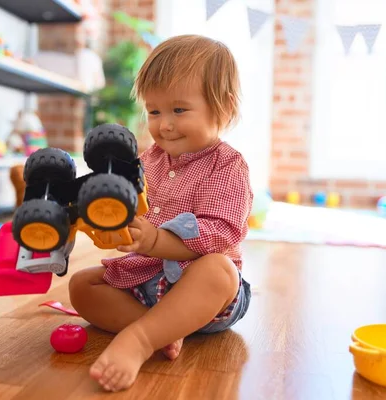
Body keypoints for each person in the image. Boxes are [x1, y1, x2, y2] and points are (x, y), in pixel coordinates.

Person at [69, 34, 253, 392]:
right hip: (146, 282)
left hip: (205, 298)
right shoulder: (147, 159)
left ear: (224, 109)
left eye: (179, 110)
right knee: (81, 286)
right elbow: (125, 204)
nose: (164, 124)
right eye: (154, 111)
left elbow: (219, 234)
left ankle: (139, 339)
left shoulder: (228, 166)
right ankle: (164, 329)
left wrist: (155, 239)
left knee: (220, 269)